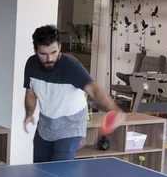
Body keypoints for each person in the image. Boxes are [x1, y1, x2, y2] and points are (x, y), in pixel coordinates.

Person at [24, 25, 125, 162]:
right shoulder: (31, 64)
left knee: (62, 171)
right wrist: (29, 114)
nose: (50, 59)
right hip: (45, 125)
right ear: (35, 50)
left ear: (59, 46)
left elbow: (94, 89)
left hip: (70, 125)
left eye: (54, 52)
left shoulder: (71, 66)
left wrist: (114, 110)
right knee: (40, 169)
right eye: (44, 54)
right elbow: (30, 93)